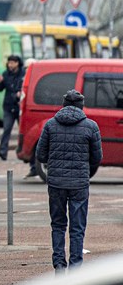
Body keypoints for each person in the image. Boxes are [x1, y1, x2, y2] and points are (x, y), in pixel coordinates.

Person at [36, 90, 102, 274]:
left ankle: (58, 263)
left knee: (58, 224)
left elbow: (40, 155)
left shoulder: (50, 125)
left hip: (56, 183)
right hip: (79, 184)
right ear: (82, 106)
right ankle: (75, 268)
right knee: (77, 227)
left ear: (63, 105)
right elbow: (97, 157)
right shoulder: (91, 126)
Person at [0, 55, 26, 166]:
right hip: (8, 106)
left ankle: (24, 150)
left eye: (12, 63)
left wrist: (19, 92)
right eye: (9, 63)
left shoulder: (23, 73)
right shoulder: (5, 74)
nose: (10, 65)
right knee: (7, 128)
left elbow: (25, 86)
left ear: (17, 63)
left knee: (22, 130)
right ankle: (3, 151)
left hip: (19, 106)